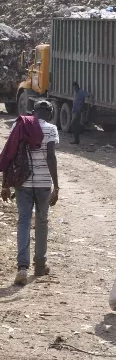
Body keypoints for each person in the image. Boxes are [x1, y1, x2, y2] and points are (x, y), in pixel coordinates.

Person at [1, 100, 59, 286]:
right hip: (43, 184)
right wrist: (56, 186)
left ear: (33, 112)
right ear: (50, 114)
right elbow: (51, 157)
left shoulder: (20, 126)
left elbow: (9, 154)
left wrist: (5, 185)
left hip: (22, 183)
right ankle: (40, 265)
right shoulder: (51, 129)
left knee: (24, 221)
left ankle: (22, 268)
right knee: (42, 222)